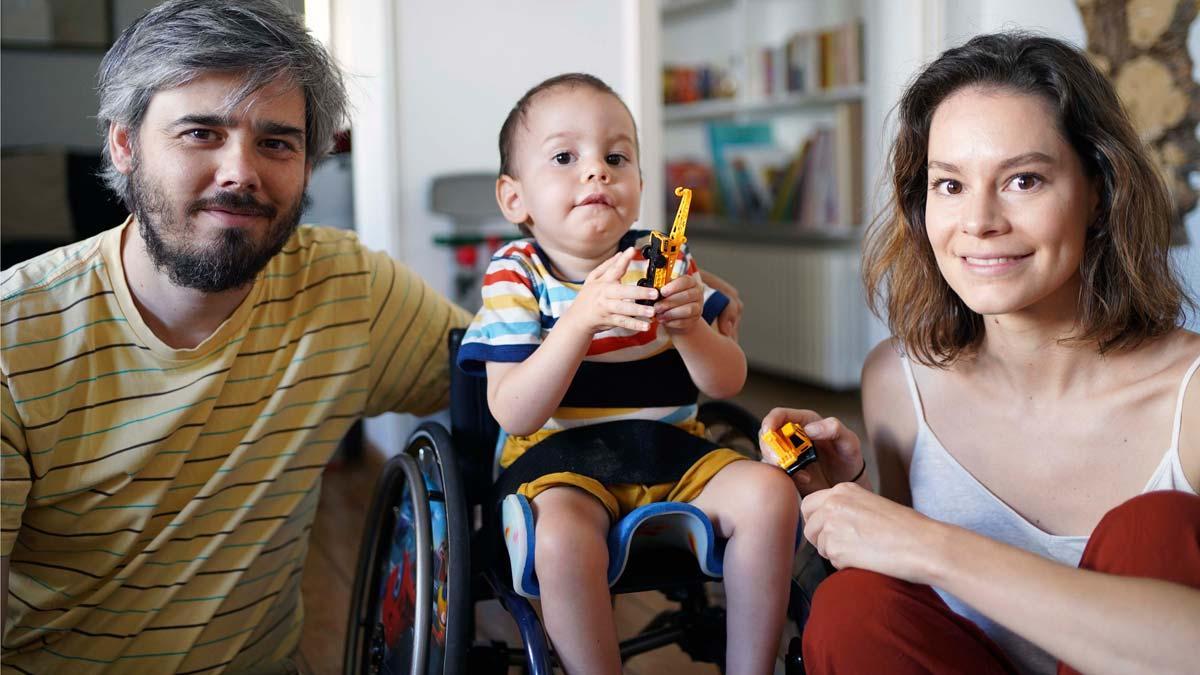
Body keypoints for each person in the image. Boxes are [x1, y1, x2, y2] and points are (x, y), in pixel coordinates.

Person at [0, 5, 747, 672]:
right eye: (200, 133)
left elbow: (497, 371)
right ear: (125, 143)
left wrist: (720, 378)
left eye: (277, 142)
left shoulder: (345, 290)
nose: (241, 172)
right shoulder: (13, 337)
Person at [760, 32, 1200, 675]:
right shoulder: (897, 382)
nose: (979, 222)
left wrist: (932, 545)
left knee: (1155, 531)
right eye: (950, 185)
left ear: (1098, 192)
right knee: (854, 605)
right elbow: (911, 617)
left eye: (1024, 180)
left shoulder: (1189, 397)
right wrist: (851, 498)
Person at [456, 73, 799, 675]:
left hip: (674, 452)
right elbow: (514, 412)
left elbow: (725, 385)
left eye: (617, 157)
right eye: (565, 157)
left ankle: (753, 665)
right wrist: (580, 320)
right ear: (515, 200)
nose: (597, 171)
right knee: (561, 540)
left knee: (771, 493)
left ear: (640, 183)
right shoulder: (517, 276)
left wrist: (692, 327)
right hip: (560, 461)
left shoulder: (665, 261)